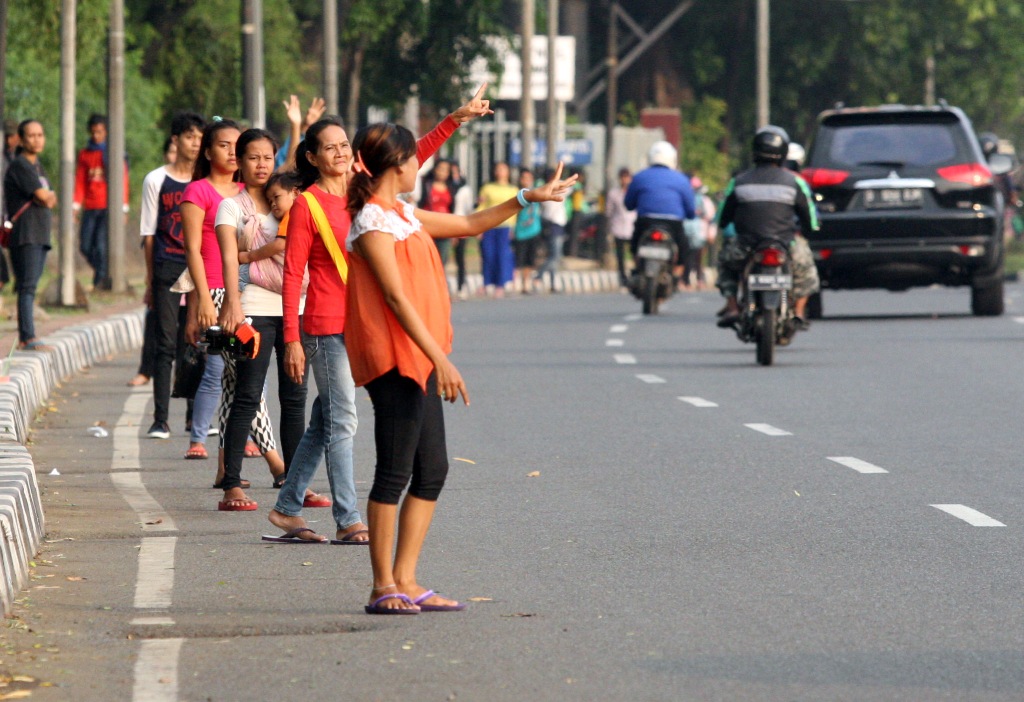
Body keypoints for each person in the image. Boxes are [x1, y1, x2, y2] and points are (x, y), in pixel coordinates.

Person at [344, 122, 577, 613]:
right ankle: (381, 584)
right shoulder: (371, 221)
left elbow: (471, 224)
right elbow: (394, 298)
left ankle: (406, 578)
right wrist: (441, 358)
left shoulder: (402, 212)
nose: (419, 167)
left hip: (420, 356)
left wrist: (527, 197)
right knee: (394, 471)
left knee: (433, 469)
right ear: (399, 163)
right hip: (394, 359)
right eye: (414, 159)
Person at [267, 86, 493, 544]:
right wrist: (291, 338)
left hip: (362, 326)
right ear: (310, 157)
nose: (338, 153)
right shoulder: (305, 205)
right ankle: (349, 519)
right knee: (343, 420)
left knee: (326, 420)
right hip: (325, 327)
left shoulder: (361, 195)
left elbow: (406, 160)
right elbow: (293, 276)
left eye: (344, 146)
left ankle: (288, 507)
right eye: (328, 147)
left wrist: (453, 120)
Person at [215, 130, 328, 513]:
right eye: (252, 157)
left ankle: (294, 485)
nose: (261, 164)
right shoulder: (232, 208)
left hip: (298, 311)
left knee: (295, 399)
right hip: (255, 309)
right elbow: (231, 258)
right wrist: (232, 302)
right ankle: (231, 484)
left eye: (267, 157)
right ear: (239, 162)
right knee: (247, 395)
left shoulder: (296, 199)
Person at [179, 118, 285, 508]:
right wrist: (201, 301)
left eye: (236, 146)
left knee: (234, 383)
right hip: (216, 294)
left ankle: (228, 470)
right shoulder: (200, 192)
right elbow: (193, 250)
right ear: (211, 151)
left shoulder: (261, 194)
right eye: (225, 146)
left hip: (246, 293)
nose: (232, 152)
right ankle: (277, 465)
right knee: (246, 384)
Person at [716, 126, 820, 330]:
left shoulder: (738, 182)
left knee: (726, 265)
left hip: (746, 247)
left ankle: (732, 307)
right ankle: (799, 312)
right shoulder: (795, 182)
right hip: (785, 245)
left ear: (754, 152)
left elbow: (722, 218)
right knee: (807, 271)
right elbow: (811, 220)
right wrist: (809, 231)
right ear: (782, 154)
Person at [130, 136, 180, 388]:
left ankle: (194, 410)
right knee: (158, 325)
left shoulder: (201, 181)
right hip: (165, 262)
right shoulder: (158, 180)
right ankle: (145, 370)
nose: (175, 155)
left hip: (193, 266)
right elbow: (148, 232)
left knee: (188, 337)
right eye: (171, 151)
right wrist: (150, 276)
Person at [4, 120, 56, 351]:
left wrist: (45, 196)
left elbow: (50, 196)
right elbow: (44, 197)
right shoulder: (21, 166)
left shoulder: (37, 166)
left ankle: (29, 335)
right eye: (32, 135)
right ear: (22, 139)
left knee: (30, 285)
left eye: (40, 135)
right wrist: (43, 197)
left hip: (39, 233)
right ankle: (28, 337)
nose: (37, 139)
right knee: (27, 286)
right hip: (26, 234)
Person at [624, 140, 695, 284]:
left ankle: (638, 268)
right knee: (684, 247)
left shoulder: (639, 177)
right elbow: (690, 209)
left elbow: (628, 204)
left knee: (635, 244)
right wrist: (690, 214)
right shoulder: (681, 179)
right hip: (673, 223)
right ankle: (676, 274)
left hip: (646, 221)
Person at [73, 114, 129, 291]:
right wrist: (75, 205)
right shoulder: (85, 154)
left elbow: (123, 181)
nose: (96, 135)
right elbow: (80, 181)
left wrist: (123, 208)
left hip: (109, 207)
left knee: (101, 246)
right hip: (90, 206)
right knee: (85, 245)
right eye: (94, 132)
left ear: (106, 132)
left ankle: (100, 281)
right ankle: (102, 272)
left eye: (100, 132)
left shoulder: (114, 153)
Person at [476, 162, 517, 297]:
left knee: (502, 256)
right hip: (488, 225)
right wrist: (478, 226)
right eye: (498, 169)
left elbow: (514, 210)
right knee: (488, 254)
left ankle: (501, 284)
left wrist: (513, 227)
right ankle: (486, 282)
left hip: (505, 227)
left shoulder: (513, 190)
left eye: (503, 169)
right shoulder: (487, 188)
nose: (500, 172)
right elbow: (481, 206)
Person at [535, 166, 569, 292]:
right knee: (555, 256)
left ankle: (553, 284)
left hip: (554, 225)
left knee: (554, 256)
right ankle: (539, 275)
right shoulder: (550, 191)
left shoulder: (545, 190)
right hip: (554, 225)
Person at [417, 159, 455, 270]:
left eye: (445, 170)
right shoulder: (426, 185)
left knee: (441, 261)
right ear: (434, 169)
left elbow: (452, 209)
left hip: (445, 228)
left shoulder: (451, 188)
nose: (442, 172)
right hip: (427, 227)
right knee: (425, 259)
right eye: (440, 169)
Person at [681, 175, 716, 291]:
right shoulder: (701, 200)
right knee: (695, 258)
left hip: (696, 232)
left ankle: (693, 280)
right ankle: (692, 280)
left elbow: (710, 218)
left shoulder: (702, 200)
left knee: (694, 258)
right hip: (695, 232)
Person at [605, 167, 636, 287]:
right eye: (623, 178)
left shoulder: (634, 192)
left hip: (633, 227)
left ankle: (636, 274)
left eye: (627, 177)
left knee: (635, 253)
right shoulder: (614, 193)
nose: (625, 180)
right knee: (620, 255)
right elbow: (609, 211)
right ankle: (623, 278)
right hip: (618, 227)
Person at [512, 168, 542, 292]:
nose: (526, 181)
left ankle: (526, 283)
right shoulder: (515, 194)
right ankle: (516, 283)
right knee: (519, 259)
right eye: (524, 178)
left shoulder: (537, 193)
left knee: (530, 260)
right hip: (520, 231)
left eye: (529, 178)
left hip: (533, 230)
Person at [449, 163, 473, 299]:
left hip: (460, 224)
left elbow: (468, 208)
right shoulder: (445, 187)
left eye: (456, 172)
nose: (454, 176)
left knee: (460, 258)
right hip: (444, 223)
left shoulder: (465, 189)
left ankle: (461, 286)